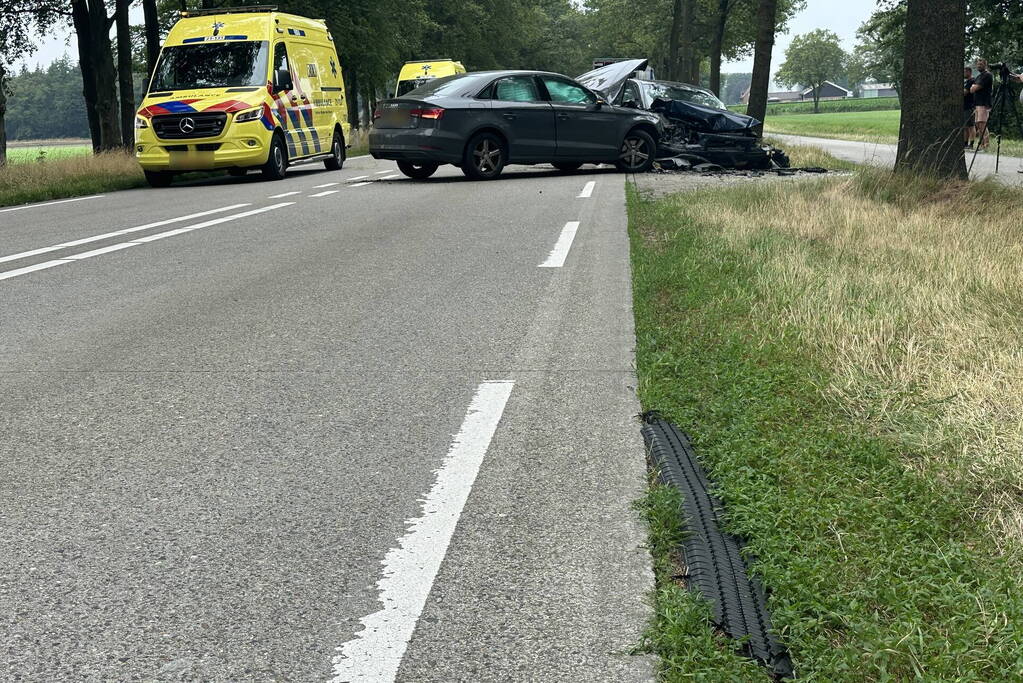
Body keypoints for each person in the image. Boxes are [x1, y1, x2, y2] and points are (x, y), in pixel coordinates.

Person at [970, 58, 994, 150]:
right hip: (977, 103)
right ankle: (981, 144)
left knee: (983, 124)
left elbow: (975, 88)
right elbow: (972, 89)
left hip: (984, 103)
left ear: (985, 65)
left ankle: (986, 145)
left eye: (981, 64)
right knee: (978, 124)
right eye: (978, 64)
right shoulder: (978, 76)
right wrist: (973, 87)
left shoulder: (987, 75)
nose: (979, 66)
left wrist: (974, 87)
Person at [963, 66, 976, 149]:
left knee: (971, 126)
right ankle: (965, 144)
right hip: (964, 106)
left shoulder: (971, 81)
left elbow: (965, 92)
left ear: (969, 72)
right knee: (965, 126)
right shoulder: (966, 81)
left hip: (969, 106)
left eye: (964, 72)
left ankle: (971, 144)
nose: (963, 74)